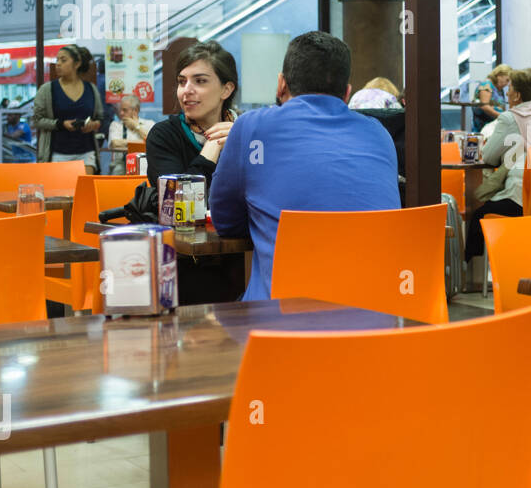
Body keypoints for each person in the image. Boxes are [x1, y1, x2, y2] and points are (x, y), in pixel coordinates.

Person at [210, 31, 399, 301]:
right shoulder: (379, 134)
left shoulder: (251, 128)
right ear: (347, 93)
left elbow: (226, 221)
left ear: (281, 85)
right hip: (379, 321)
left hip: (281, 329)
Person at [145, 40, 243, 303]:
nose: (186, 91)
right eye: (181, 81)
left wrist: (240, 138)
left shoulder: (247, 132)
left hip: (245, 257)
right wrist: (212, 147)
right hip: (184, 263)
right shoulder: (164, 135)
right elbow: (180, 206)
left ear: (226, 89)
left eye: (199, 81)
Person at [465, 68, 531, 261]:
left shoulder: (511, 118)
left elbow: (489, 156)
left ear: (517, 95)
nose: (506, 93)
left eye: (510, 88)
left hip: (521, 198)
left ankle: (473, 278)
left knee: (478, 217)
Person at [31, 44, 104, 173]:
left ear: (77, 64)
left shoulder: (91, 89)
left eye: (63, 60)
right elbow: (37, 120)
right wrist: (60, 124)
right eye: (57, 60)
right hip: (57, 153)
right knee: (60, 192)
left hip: (86, 152)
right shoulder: (48, 89)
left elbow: (100, 118)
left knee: (84, 191)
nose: (58, 64)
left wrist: (93, 124)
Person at [107, 93, 155, 174]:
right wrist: (141, 143)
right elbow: (115, 143)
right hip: (121, 164)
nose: (121, 113)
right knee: (117, 170)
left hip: (144, 164)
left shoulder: (149, 124)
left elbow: (153, 141)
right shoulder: (116, 125)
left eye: (125, 110)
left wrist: (136, 127)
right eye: (120, 110)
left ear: (136, 110)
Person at [472, 64, 511, 132]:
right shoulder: (486, 85)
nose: (507, 84)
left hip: (495, 126)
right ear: (499, 75)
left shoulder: (499, 89)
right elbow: (484, 106)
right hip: (484, 127)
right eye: (507, 80)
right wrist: (502, 116)